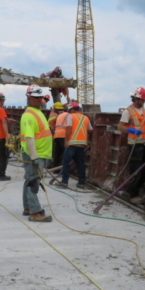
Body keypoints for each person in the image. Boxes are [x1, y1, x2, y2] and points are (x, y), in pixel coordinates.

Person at [20, 85, 53, 223]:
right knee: (33, 182)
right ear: (29, 98)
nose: (40, 100)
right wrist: (34, 157)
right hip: (35, 154)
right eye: (36, 98)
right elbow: (29, 138)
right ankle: (34, 213)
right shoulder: (28, 115)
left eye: (41, 98)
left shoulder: (37, 112)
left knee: (30, 180)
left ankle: (28, 207)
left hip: (41, 153)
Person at [117, 87, 145, 204]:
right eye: (143, 100)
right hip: (135, 145)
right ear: (137, 99)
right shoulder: (128, 111)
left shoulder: (143, 111)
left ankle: (131, 190)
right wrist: (133, 131)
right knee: (136, 171)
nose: (144, 102)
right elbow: (121, 127)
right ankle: (133, 194)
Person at [60, 103, 93, 189]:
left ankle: (64, 182)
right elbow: (90, 130)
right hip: (81, 144)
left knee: (66, 162)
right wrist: (86, 141)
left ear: (71, 109)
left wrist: (66, 141)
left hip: (72, 143)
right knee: (80, 163)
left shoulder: (71, 116)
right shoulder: (86, 118)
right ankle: (81, 182)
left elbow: (69, 129)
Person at [50, 102, 67, 168]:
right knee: (63, 152)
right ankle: (61, 167)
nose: (60, 110)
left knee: (56, 152)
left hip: (55, 135)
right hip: (58, 134)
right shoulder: (57, 116)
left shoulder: (53, 113)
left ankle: (55, 168)